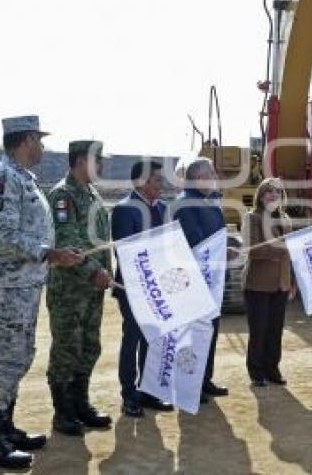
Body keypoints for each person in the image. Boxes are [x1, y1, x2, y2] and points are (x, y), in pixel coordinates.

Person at [0, 116, 83, 468]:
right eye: (39, 139)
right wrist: (49, 253)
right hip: (8, 284)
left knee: (20, 354)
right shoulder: (4, 178)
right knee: (4, 358)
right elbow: (2, 236)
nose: (43, 147)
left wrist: (51, 256)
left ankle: (6, 427)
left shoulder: (23, 178)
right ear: (26, 140)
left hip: (25, 282)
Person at [46, 140, 114, 435]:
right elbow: (66, 240)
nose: (102, 166)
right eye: (98, 161)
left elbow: (101, 242)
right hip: (69, 290)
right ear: (80, 161)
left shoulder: (92, 193)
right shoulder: (63, 194)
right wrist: (93, 272)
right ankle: (63, 412)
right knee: (67, 348)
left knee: (89, 346)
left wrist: (106, 273)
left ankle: (80, 403)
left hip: (92, 289)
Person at [110, 161, 174, 417]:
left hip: (158, 288)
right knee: (132, 339)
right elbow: (123, 251)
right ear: (141, 182)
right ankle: (129, 395)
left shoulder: (164, 208)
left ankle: (148, 391)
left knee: (153, 340)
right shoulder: (124, 210)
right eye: (157, 180)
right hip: (133, 288)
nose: (162, 185)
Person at [170, 157, 230, 401]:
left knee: (209, 331)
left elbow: (218, 235)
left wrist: (228, 247)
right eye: (211, 173)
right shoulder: (185, 204)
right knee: (192, 335)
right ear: (198, 177)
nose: (215, 177)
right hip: (192, 282)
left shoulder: (209, 202)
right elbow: (195, 240)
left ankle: (204, 379)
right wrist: (217, 248)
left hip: (211, 280)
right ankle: (187, 384)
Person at [241, 177, 295, 387]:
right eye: (268, 192)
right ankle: (256, 372)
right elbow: (253, 250)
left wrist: (292, 282)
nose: (273, 195)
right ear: (261, 196)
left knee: (275, 330)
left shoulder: (286, 219)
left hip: (280, 284)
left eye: (278, 192)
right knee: (259, 330)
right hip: (257, 284)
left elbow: (290, 254)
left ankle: (273, 369)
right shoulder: (252, 218)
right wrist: (281, 248)